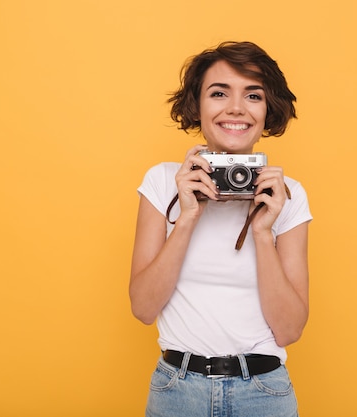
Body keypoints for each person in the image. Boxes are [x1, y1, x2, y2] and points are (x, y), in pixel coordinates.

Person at [129, 41, 312, 417]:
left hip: (263, 391)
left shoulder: (287, 196)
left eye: (253, 95)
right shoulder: (163, 182)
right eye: (218, 93)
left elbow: (290, 330)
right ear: (198, 105)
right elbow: (143, 308)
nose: (236, 108)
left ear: (267, 110)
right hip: (177, 389)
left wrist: (263, 231)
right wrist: (188, 216)